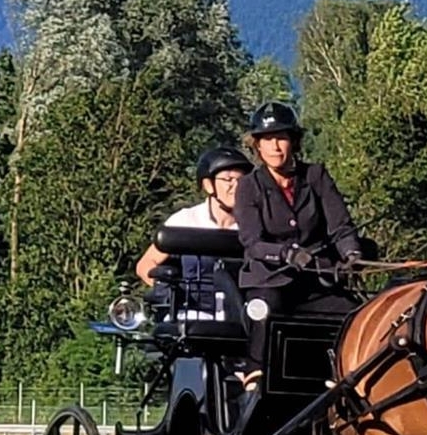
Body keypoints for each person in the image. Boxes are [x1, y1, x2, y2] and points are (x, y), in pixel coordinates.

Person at [233, 101, 362, 390]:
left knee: (353, 312)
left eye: (281, 138)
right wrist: (286, 253)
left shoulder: (316, 176)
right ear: (257, 146)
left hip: (316, 280)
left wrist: (352, 255)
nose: (275, 146)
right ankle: (255, 377)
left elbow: (341, 226)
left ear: (293, 141)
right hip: (270, 280)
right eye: (268, 139)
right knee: (264, 307)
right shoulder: (249, 186)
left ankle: (342, 375)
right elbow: (252, 243)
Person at [136, 146, 252, 318]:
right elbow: (145, 265)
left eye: (241, 180)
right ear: (208, 184)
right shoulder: (186, 220)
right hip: (190, 312)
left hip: (240, 314)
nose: (235, 187)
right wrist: (168, 290)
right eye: (228, 180)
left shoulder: (254, 223)